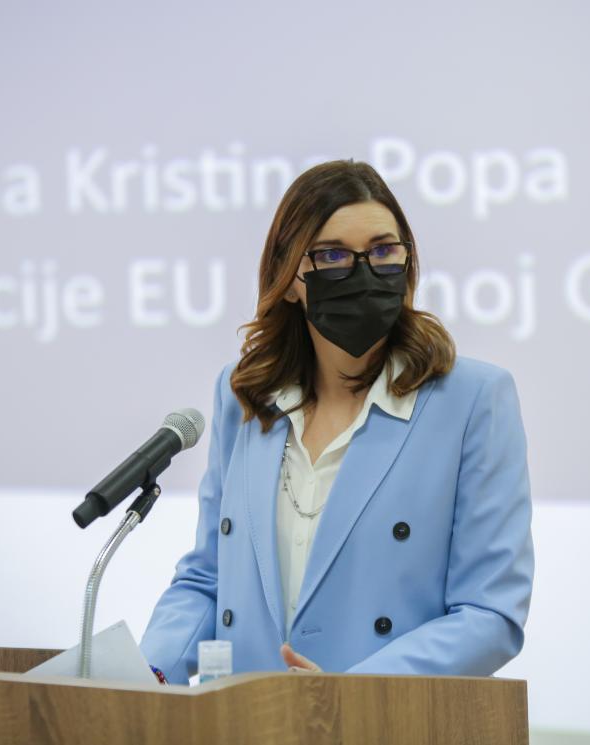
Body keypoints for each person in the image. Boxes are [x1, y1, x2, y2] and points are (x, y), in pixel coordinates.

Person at [140, 160, 533, 682]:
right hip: (241, 716)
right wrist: (143, 676)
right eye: (333, 255)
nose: (364, 272)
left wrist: (350, 698)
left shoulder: (472, 400)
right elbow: (209, 579)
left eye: (384, 250)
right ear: (290, 280)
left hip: (382, 718)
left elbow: (490, 613)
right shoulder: (245, 396)